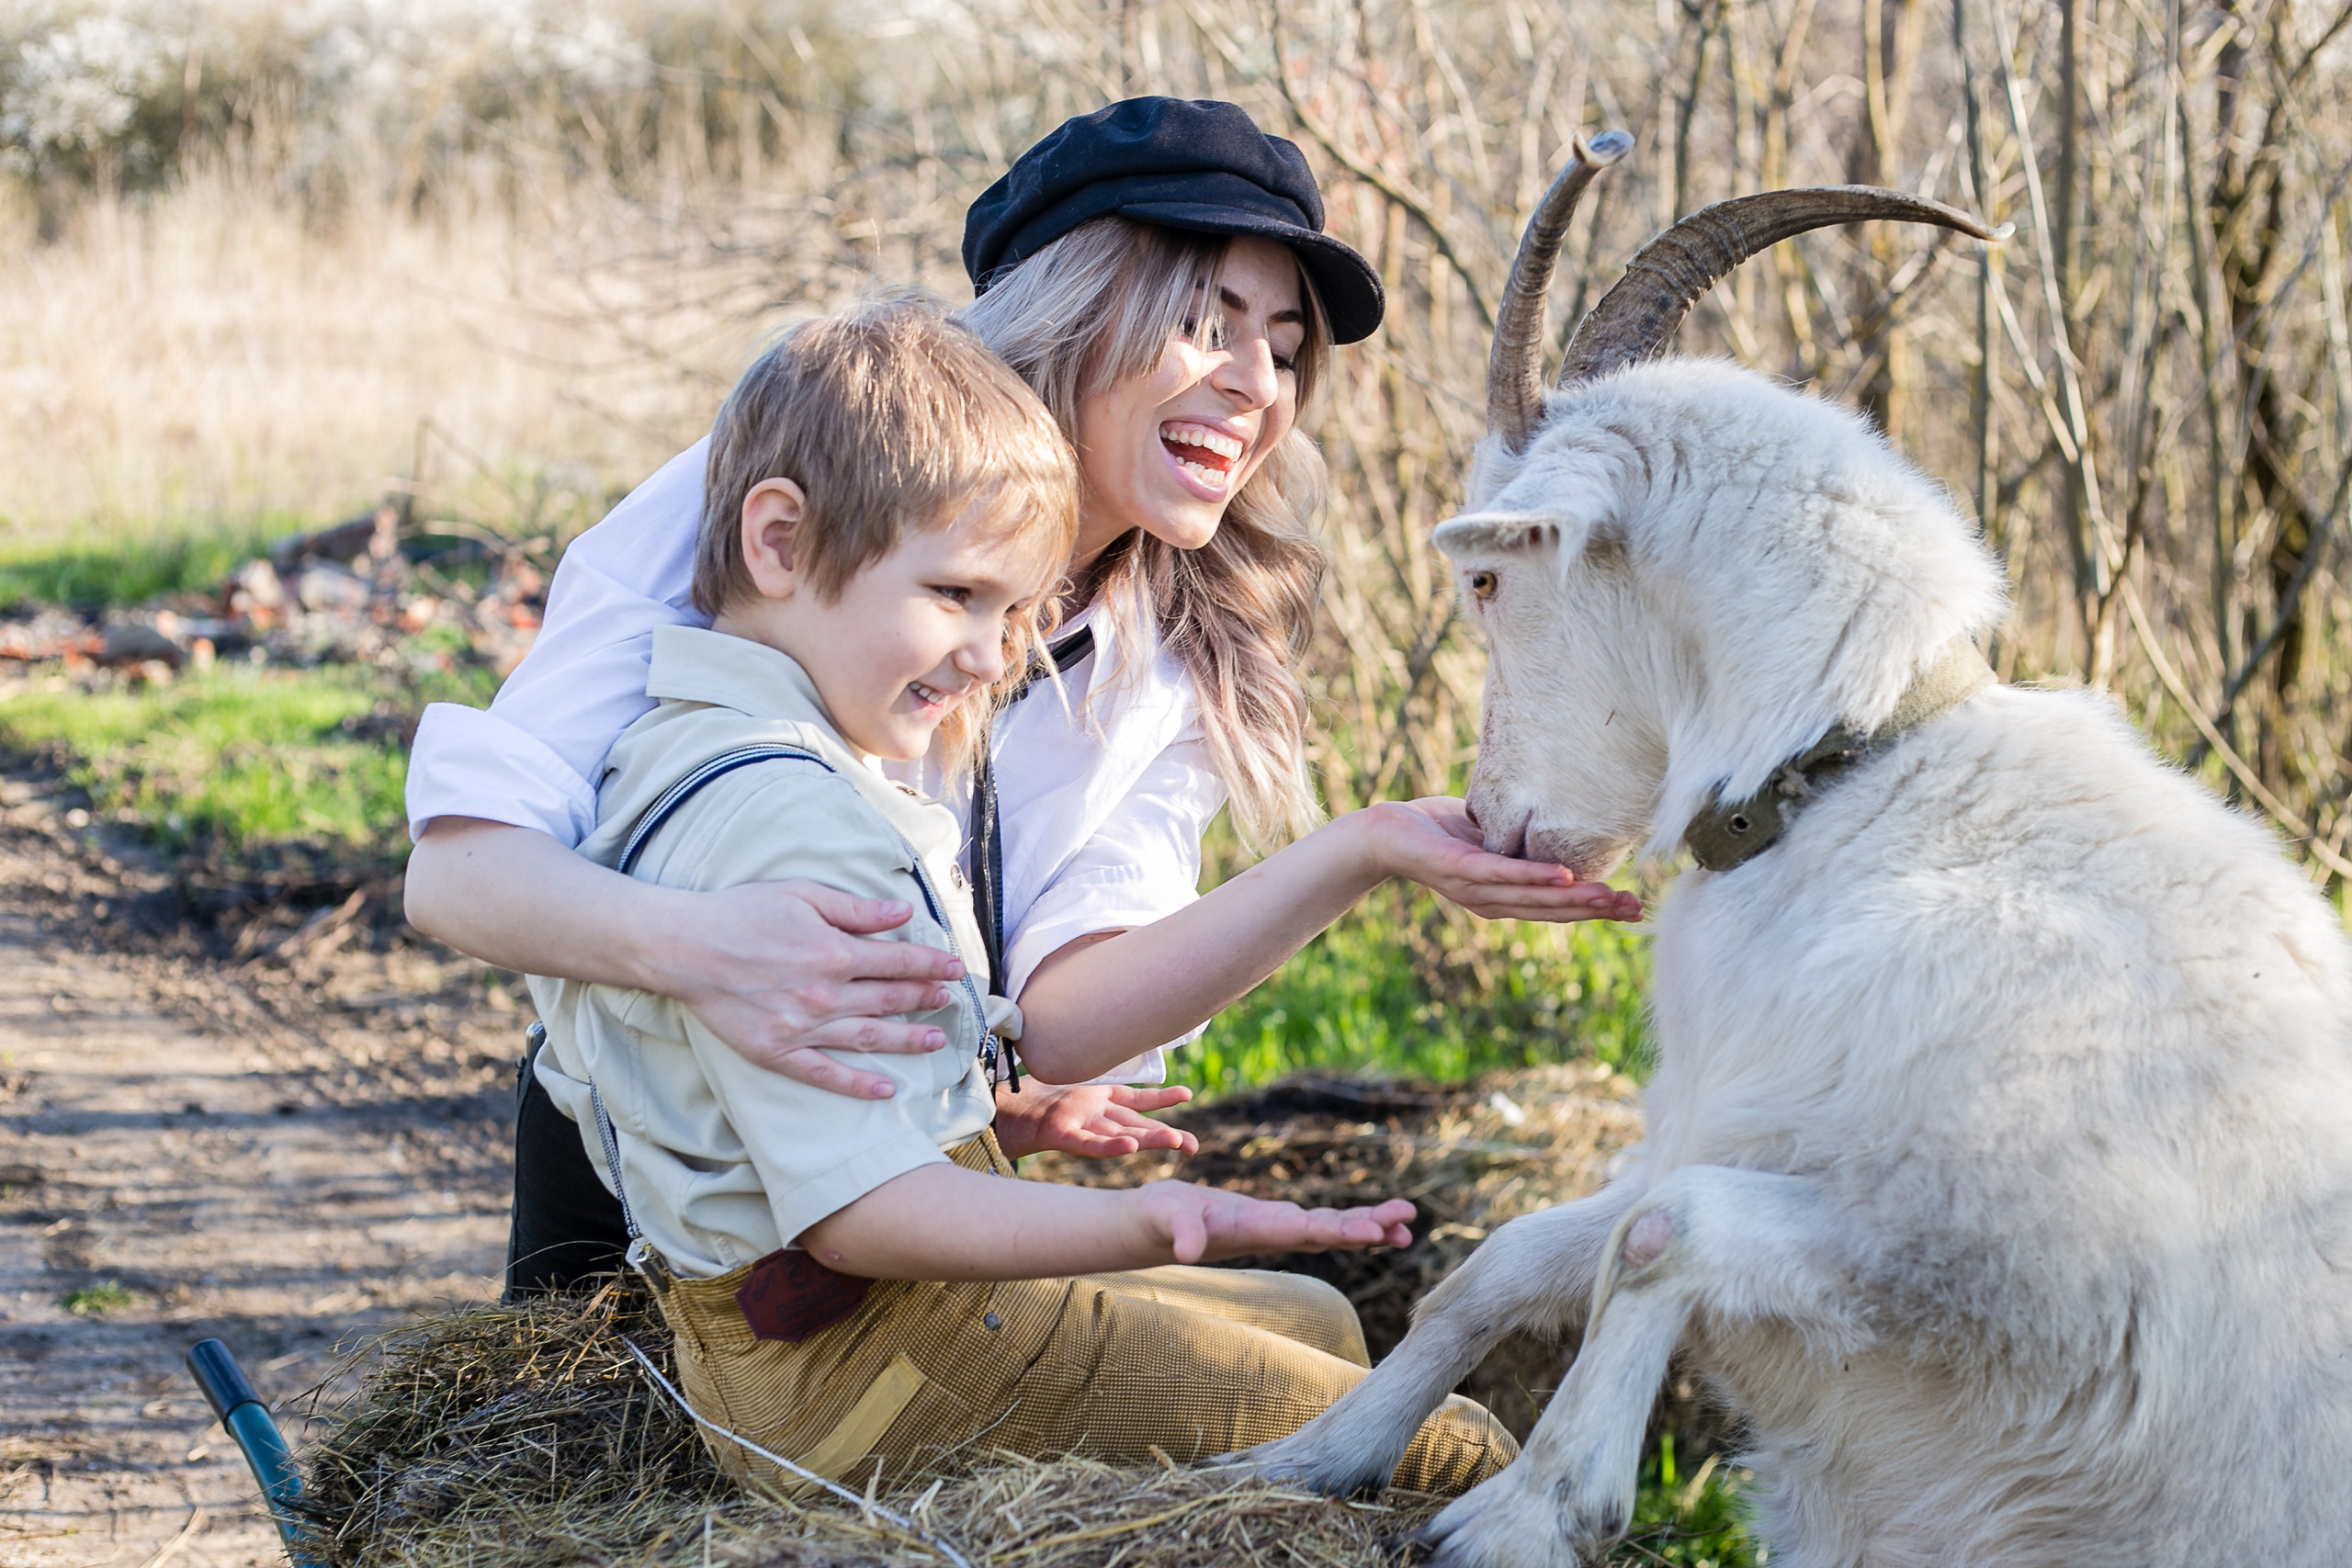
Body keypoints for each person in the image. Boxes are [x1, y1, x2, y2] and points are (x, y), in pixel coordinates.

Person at [401, 96, 1641, 1297]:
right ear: (1074, 305)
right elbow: (462, 875)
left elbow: (1056, 1017)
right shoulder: (807, 477)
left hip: (908, 1195)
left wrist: (1359, 853)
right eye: (1208, 319)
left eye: (1285, 346)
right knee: (576, 1485)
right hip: (644, 1169)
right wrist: (706, 953)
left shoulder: (1189, 641)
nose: (1259, 384)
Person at [535, 293, 1514, 1494]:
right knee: (1459, 1450)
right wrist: (1155, 1220)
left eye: (1016, 613)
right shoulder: (796, 821)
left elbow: (742, 1100)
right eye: (955, 596)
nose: (996, 657)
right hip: (878, 1364)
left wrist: (975, 1108)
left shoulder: (674, 751)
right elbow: (861, 1217)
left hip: (795, 1347)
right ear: (779, 542)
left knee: (1308, 1316)